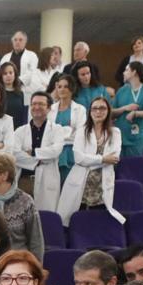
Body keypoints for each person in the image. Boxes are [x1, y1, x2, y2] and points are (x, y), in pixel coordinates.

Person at [58, 97, 124, 227]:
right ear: (90, 112)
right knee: (75, 220)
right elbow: (78, 158)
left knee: (97, 220)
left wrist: (89, 159)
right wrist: (103, 158)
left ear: (108, 111)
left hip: (101, 183)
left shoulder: (115, 132)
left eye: (102, 108)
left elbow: (114, 158)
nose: (98, 112)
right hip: (81, 182)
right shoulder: (82, 131)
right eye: (95, 108)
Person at [0, 153, 45, 257]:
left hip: (18, 263)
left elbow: (36, 241)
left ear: (4, 175)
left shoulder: (25, 201)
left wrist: (35, 270)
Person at [45, 74, 87, 205]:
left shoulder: (80, 109)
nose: (62, 89)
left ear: (72, 89)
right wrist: (68, 131)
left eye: (66, 87)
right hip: (53, 153)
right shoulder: (50, 109)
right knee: (52, 192)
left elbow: (80, 133)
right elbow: (48, 132)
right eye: (59, 87)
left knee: (68, 191)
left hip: (70, 153)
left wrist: (60, 134)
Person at [111, 61, 143, 157]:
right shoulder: (122, 90)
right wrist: (124, 108)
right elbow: (111, 113)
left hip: (137, 138)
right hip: (120, 136)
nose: (123, 73)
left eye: (126, 70)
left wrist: (136, 114)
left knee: (134, 166)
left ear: (134, 72)